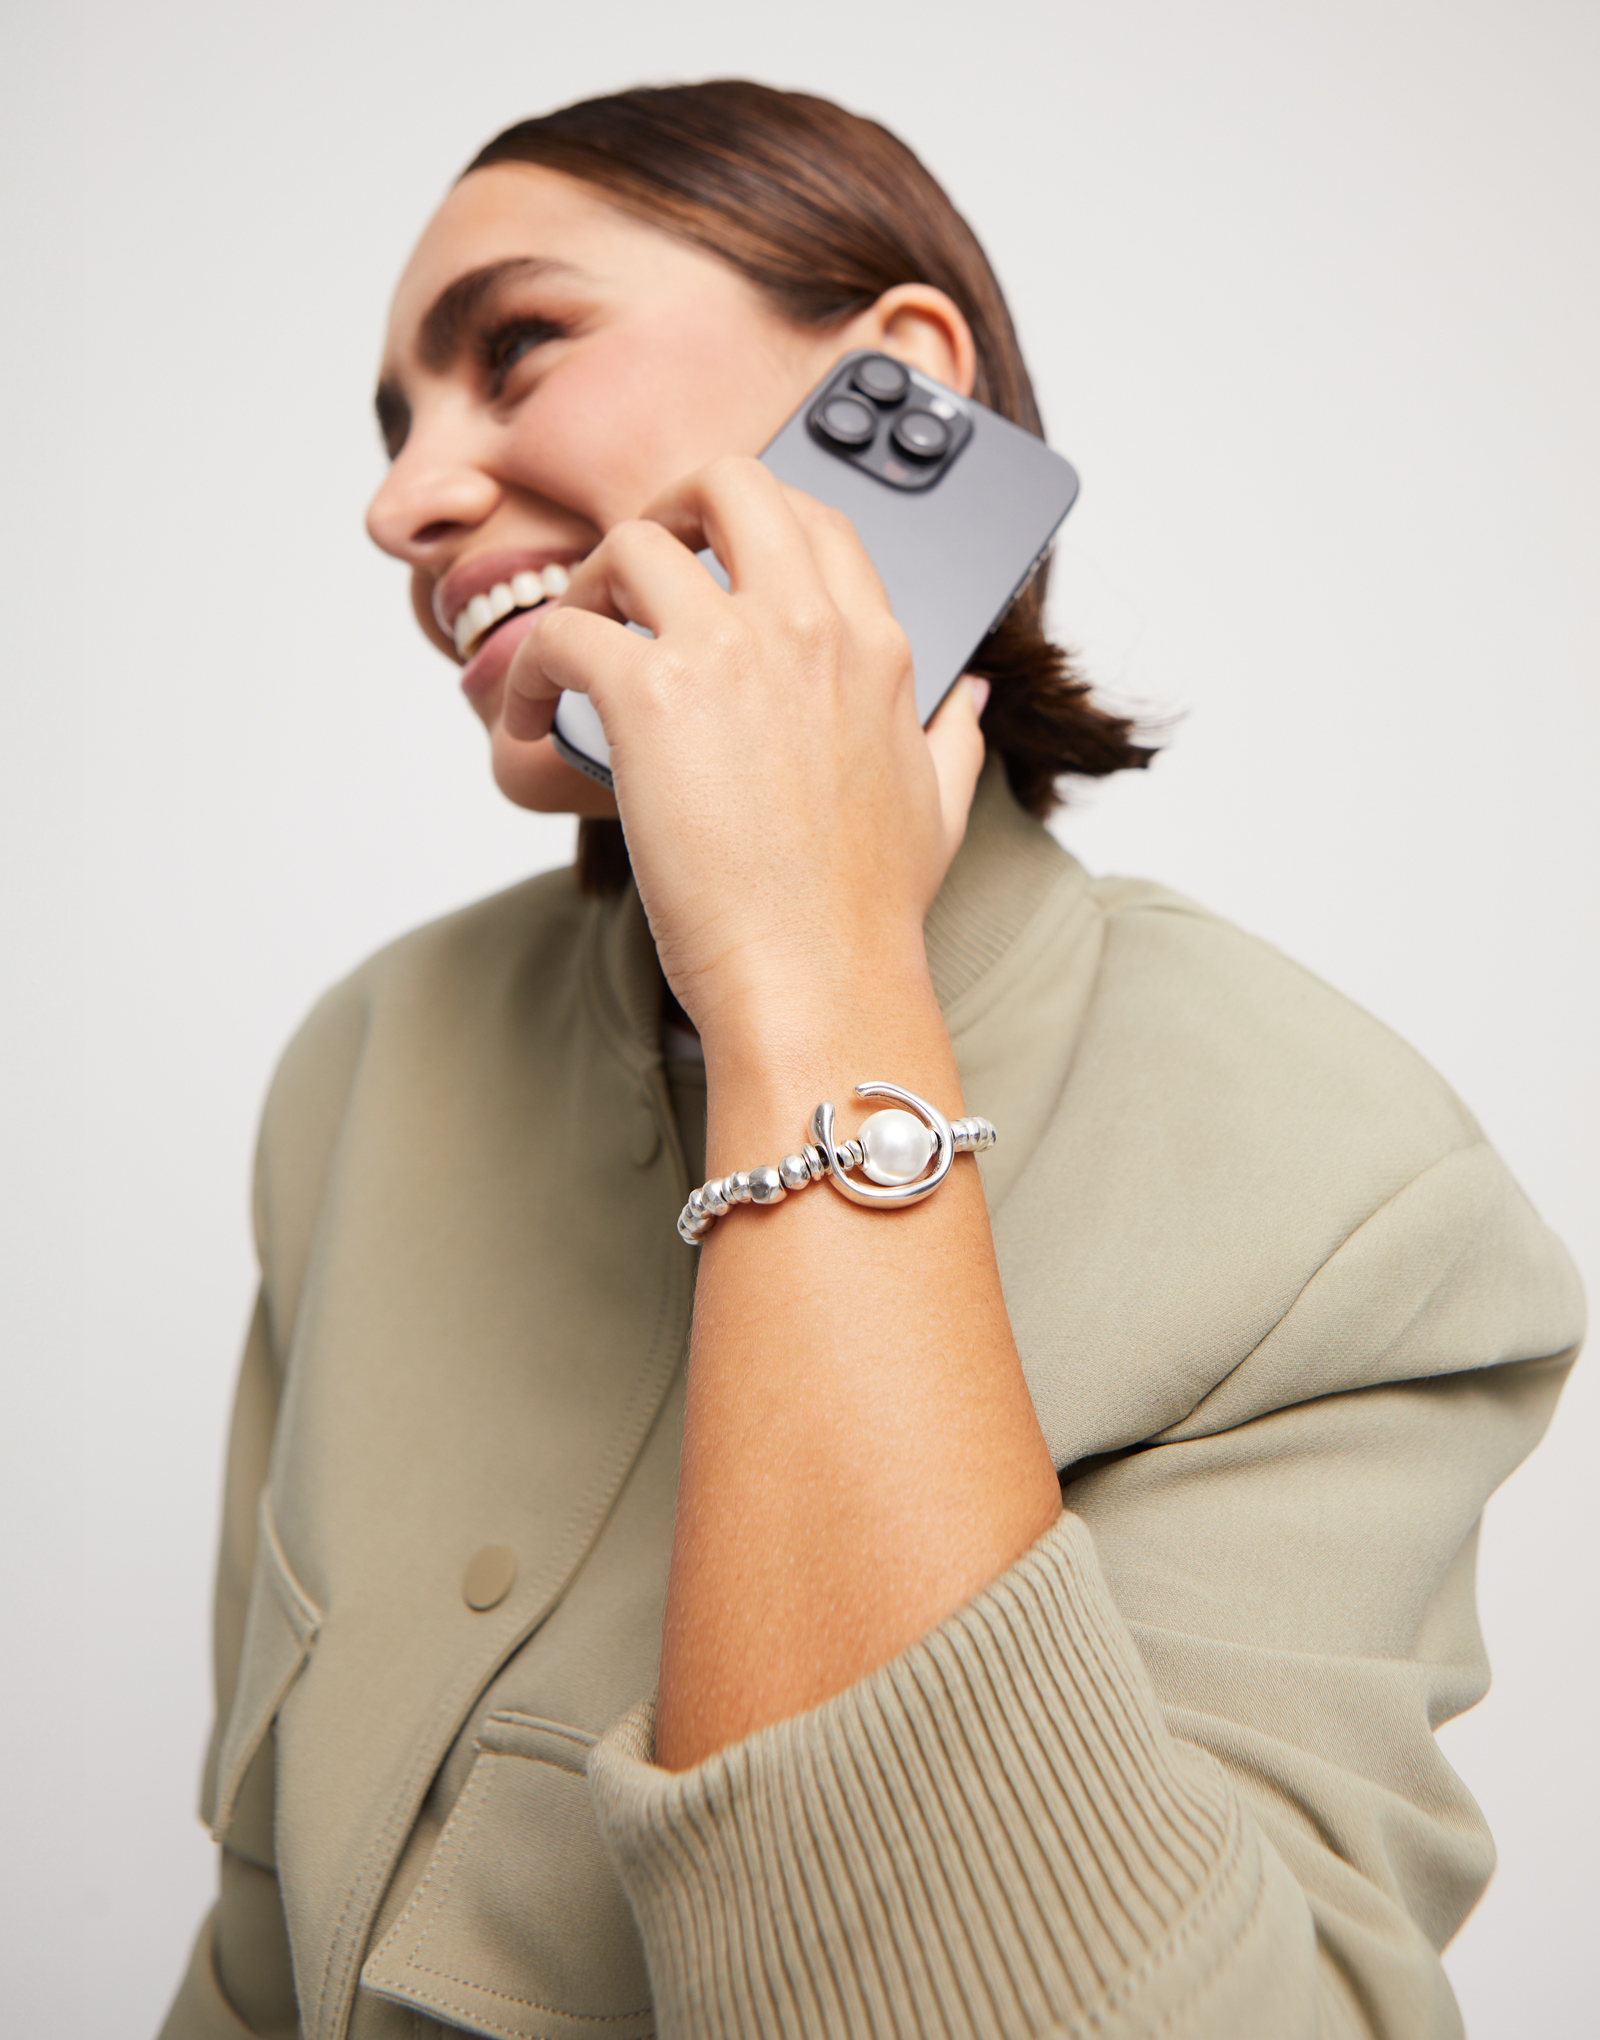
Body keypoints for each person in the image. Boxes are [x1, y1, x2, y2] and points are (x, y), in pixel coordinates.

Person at [158, 81, 1583, 2040]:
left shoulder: (1340, 1192)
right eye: (397, 427)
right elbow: (253, 1949)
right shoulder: (373, 1065)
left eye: (514, 351)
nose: (401, 500)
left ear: (898, 396)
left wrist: (808, 980)